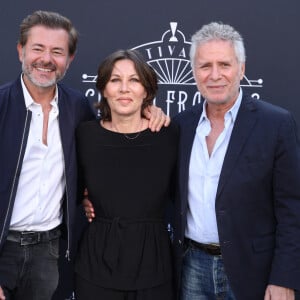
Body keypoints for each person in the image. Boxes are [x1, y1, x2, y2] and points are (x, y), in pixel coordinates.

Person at [0, 11, 169, 300]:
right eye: (38, 49)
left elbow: (108, 143)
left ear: (70, 59)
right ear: (20, 51)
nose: (46, 59)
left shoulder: (77, 107)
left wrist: (148, 110)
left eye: (57, 51)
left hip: (52, 252)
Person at [172, 22, 300, 300]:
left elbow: (293, 208)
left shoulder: (276, 124)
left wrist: (284, 278)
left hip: (254, 271)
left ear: (241, 68)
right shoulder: (181, 125)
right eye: (205, 66)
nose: (215, 75)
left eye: (224, 65)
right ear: (194, 72)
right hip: (191, 267)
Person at [74, 49, 178, 300]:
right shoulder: (85, 135)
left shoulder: (169, 135)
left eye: (134, 80)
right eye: (115, 80)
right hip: (96, 264)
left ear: (147, 89)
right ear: (103, 88)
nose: (124, 88)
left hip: (154, 264)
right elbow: (72, 191)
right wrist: (85, 200)